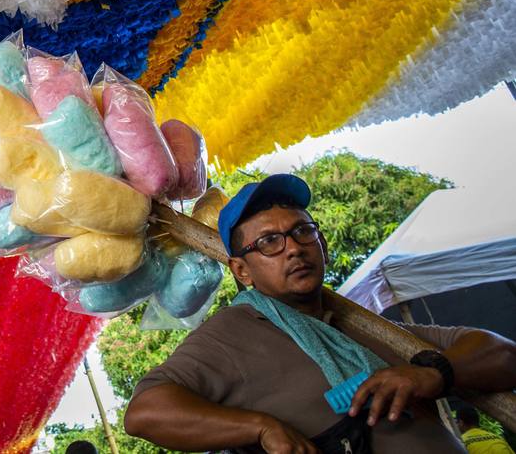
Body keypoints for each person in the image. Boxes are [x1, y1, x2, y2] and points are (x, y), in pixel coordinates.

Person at [123, 174, 516, 453]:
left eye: (302, 231)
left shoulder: (364, 325)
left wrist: (432, 373)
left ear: (322, 245)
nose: (293, 248)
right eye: (269, 242)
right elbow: (145, 412)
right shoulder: (235, 330)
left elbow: (504, 355)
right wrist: (260, 428)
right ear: (242, 271)